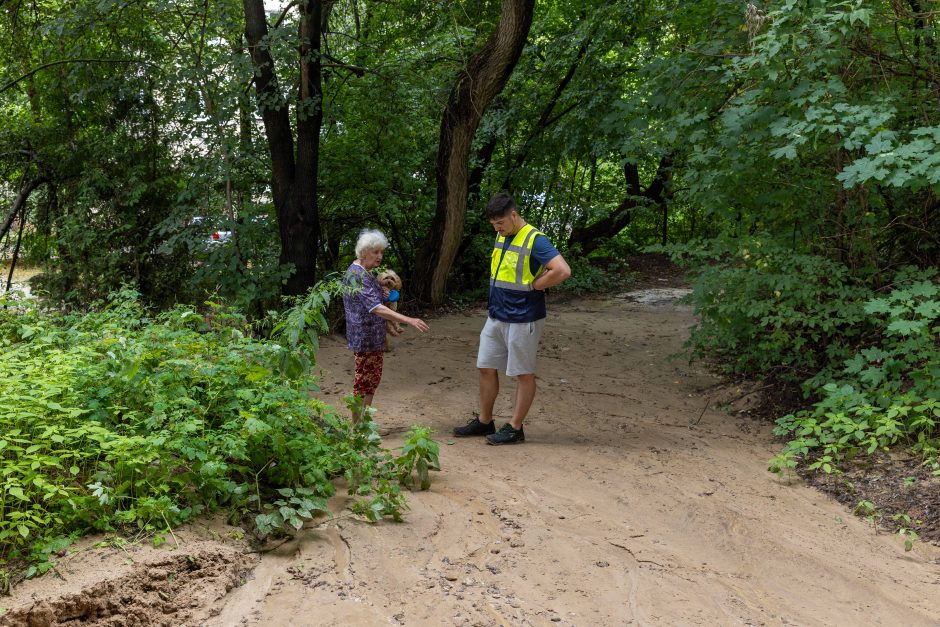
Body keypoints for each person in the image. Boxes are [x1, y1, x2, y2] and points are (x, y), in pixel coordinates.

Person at [453, 192, 571, 445]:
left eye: (501, 223)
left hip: (523, 317)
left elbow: (562, 270)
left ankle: (515, 427)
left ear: (514, 215)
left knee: (522, 373)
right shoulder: (502, 234)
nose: (498, 228)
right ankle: (485, 421)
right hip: (496, 315)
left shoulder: (535, 240)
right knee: (485, 367)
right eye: (494, 225)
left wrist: (536, 285)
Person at [342, 229, 429, 421]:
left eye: (381, 252)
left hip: (374, 337)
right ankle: (357, 426)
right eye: (375, 252)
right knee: (363, 381)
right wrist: (408, 320)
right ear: (364, 252)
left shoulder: (367, 272)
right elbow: (375, 308)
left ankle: (366, 422)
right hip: (364, 338)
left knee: (372, 380)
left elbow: (378, 299)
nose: (380, 257)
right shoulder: (357, 275)